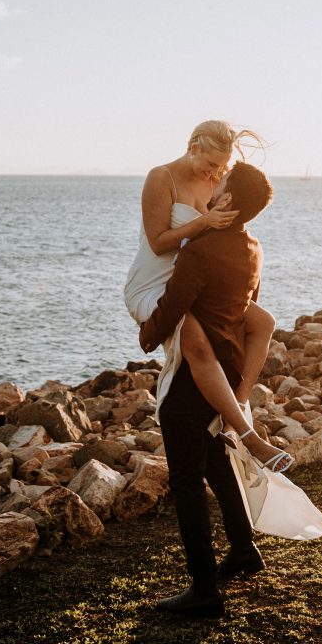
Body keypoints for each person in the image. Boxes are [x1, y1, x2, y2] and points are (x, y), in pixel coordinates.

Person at [139, 161, 277, 617]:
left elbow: (176, 302)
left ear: (229, 202)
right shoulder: (252, 247)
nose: (213, 189)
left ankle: (203, 591)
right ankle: (242, 550)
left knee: (186, 481)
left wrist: (147, 335)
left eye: (221, 186)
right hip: (227, 369)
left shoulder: (201, 250)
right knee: (216, 459)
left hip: (194, 379)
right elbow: (249, 307)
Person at [124, 120, 293, 472]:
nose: (217, 172)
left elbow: (229, 235)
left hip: (194, 280)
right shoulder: (161, 177)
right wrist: (206, 222)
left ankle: (238, 405)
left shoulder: (216, 181)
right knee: (197, 341)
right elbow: (157, 244)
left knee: (263, 321)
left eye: (223, 166)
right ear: (194, 146)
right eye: (212, 163)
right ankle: (249, 436)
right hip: (154, 281)